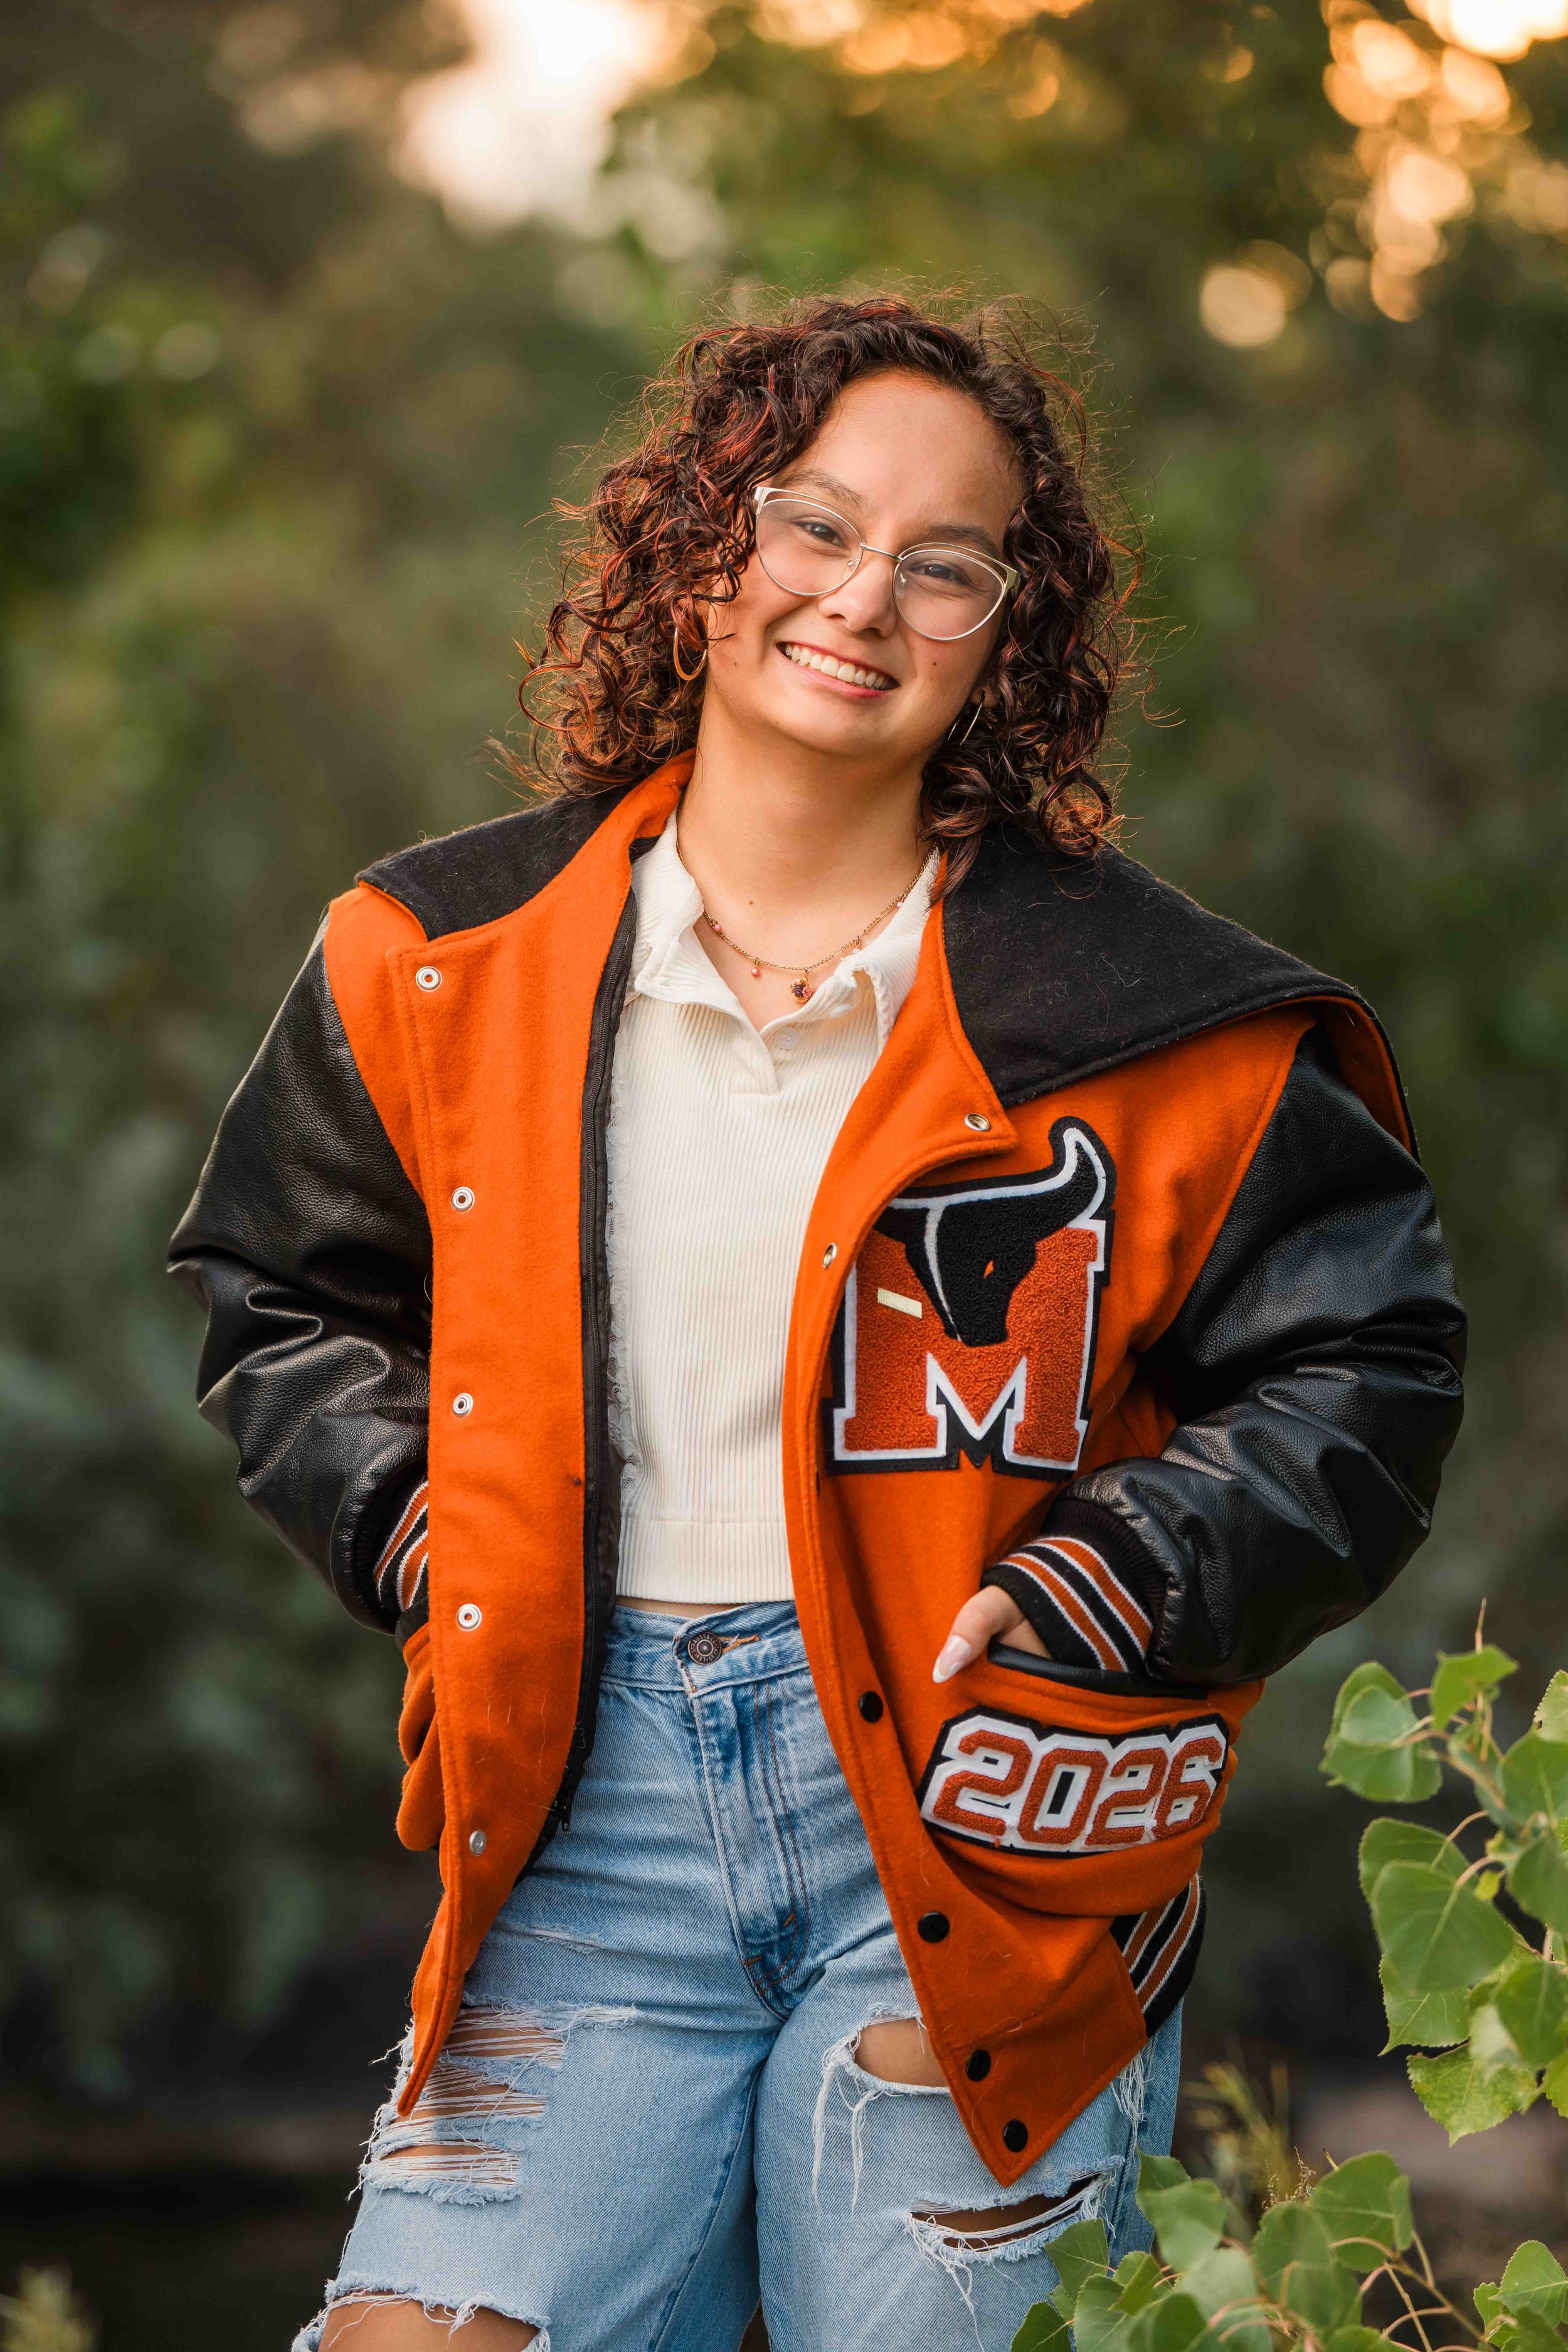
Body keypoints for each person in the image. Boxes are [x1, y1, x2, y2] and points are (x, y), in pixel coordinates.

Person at [170, 296, 1465, 2351]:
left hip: (980, 1818)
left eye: (946, 563)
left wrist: (1115, 1576)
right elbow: (280, 1295)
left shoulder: (1164, 1026)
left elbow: (1363, 1367)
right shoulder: (431, 957)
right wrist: (437, 1537)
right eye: (815, 524)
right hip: (580, 1822)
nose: (865, 597)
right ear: (704, 551)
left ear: (1008, 630)